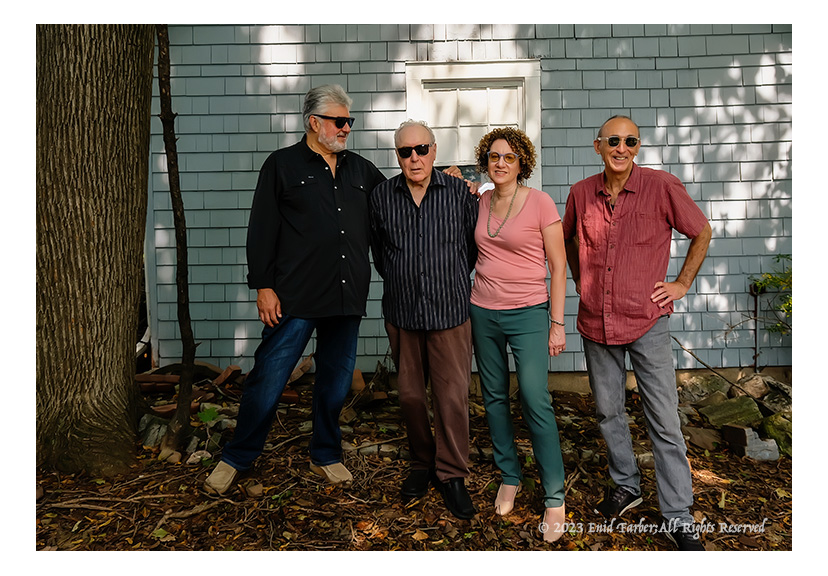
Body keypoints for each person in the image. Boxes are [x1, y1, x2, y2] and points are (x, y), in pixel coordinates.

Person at [204, 85, 386, 494]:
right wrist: (263, 286)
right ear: (314, 122)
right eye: (339, 121)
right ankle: (237, 457)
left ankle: (326, 454)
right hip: (295, 295)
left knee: (335, 382)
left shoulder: (361, 170)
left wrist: (444, 179)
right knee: (268, 377)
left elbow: (395, 202)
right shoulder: (282, 165)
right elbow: (261, 228)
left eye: (349, 121)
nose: (346, 128)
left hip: (346, 295)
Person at [562, 115, 712, 550]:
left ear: (638, 147)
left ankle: (678, 514)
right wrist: (580, 279)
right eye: (613, 140)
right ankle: (627, 485)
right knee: (608, 412)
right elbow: (568, 239)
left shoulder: (661, 186)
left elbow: (701, 230)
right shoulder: (580, 193)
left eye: (630, 141)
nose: (621, 148)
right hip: (596, 321)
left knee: (663, 419)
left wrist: (681, 283)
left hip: (647, 321)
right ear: (598, 146)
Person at [369, 120, 479, 520]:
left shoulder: (460, 193)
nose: (414, 158)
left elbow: (472, 248)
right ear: (397, 156)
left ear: (434, 150)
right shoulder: (382, 196)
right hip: (403, 312)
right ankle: (421, 463)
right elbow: (381, 253)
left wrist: (445, 279)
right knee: (412, 396)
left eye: (421, 149)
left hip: (449, 311)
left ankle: (452, 473)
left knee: (451, 397)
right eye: (405, 151)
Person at [468, 128, 568, 544]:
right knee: (493, 396)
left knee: (533, 397)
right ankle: (510, 475)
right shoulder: (480, 200)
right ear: (485, 161)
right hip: (482, 311)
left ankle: (554, 496)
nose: (501, 163)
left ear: (522, 162)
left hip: (528, 313)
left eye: (509, 157)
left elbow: (558, 267)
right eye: (494, 156)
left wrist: (557, 322)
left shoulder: (540, 202)